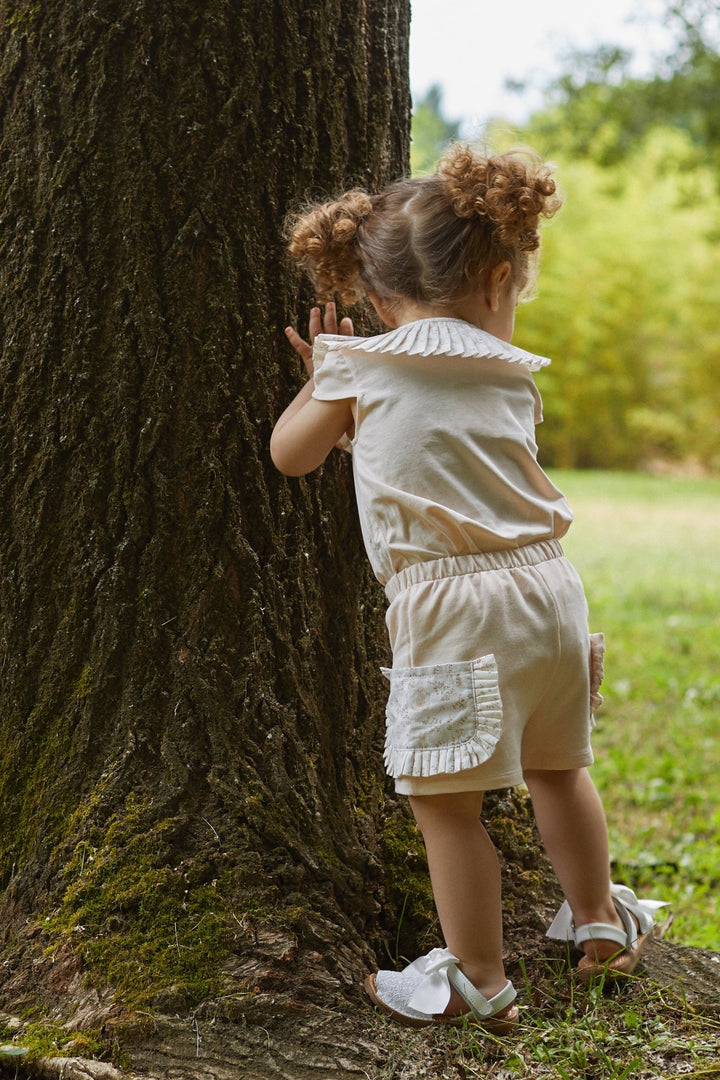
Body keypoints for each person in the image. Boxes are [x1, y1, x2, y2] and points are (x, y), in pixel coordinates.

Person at [270, 145, 664, 1030]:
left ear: (376, 298)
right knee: (560, 769)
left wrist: (324, 379)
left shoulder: (359, 365)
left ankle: (478, 976)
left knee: (443, 803)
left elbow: (289, 456)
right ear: (495, 278)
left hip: (451, 604)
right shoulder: (507, 370)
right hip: (550, 591)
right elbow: (434, 445)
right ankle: (599, 920)